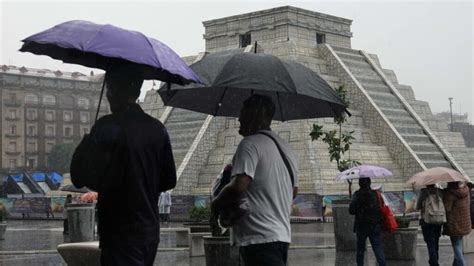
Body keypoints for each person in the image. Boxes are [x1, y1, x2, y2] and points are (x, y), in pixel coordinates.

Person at [71, 64, 177, 266]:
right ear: (137, 90)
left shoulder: (106, 127)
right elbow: (169, 179)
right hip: (148, 231)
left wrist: (86, 144)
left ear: (111, 91)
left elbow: (78, 177)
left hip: (118, 231)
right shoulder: (158, 129)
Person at [211, 94, 299, 266]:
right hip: (281, 236)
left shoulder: (249, 144)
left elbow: (240, 185)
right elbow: (293, 192)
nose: (239, 118)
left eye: (244, 112)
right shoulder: (288, 150)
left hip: (258, 238)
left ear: (258, 114)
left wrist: (215, 204)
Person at [349, 177, 386, 266]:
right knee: (377, 247)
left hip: (361, 225)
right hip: (375, 224)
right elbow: (381, 207)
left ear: (359, 184)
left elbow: (351, 211)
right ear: (369, 183)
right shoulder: (376, 194)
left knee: (360, 249)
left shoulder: (357, 195)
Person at [443, 181, 471, 266]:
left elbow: (447, 208)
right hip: (464, 222)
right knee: (458, 243)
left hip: (454, 224)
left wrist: (444, 197)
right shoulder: (466, 191)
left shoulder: (451, 194)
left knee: (456, 245)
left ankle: (462, 264)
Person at [416, 184, 444, 266]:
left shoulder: (423, 191)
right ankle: (434, 261)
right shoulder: (440, 191)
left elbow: (418, 206)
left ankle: (434, 263)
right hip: (438, 219)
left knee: (429, 242)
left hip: (426, 221)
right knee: (436, 241)